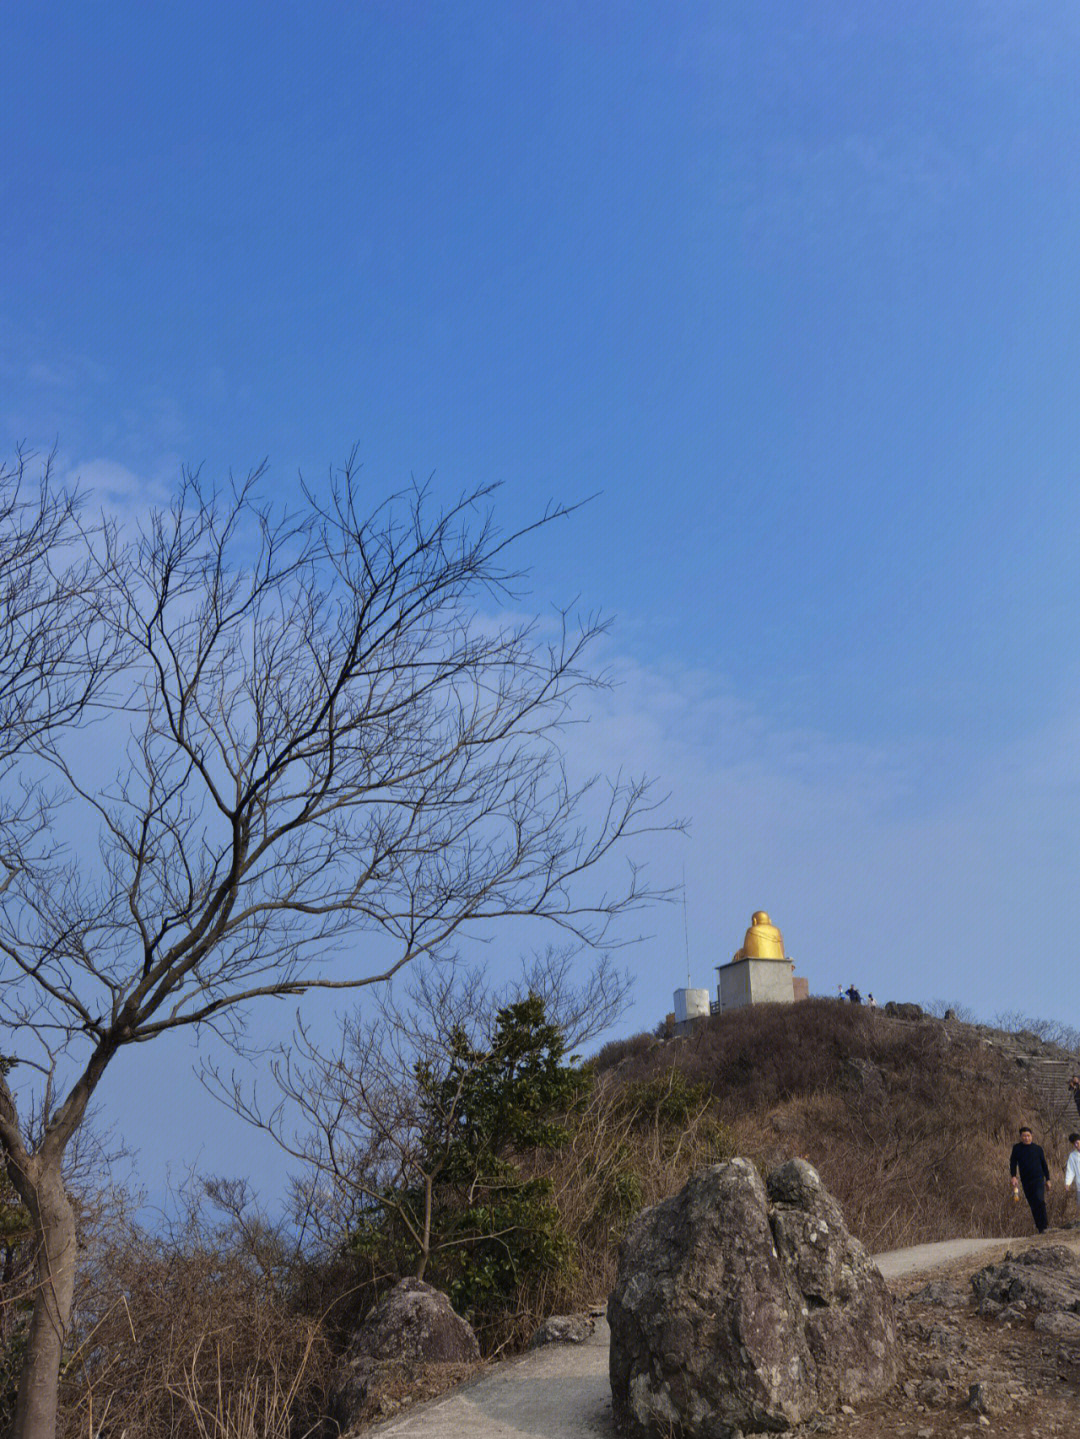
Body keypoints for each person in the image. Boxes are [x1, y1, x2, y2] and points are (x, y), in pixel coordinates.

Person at [1010, 1126, 1052, 1233]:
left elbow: (1044, 1165)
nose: (1026, 1138)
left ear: (1031, 1136)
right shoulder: (1017, 1148)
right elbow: (1013, 1163)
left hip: (1038, 1179)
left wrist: (1048, 1179)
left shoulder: (1037, 1149)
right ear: (1020, 1137)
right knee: (1033, 1204)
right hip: (1026, 1180)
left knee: (1040, 1200)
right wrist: (1013, 1176)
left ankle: (1045, 1225)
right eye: (1024, 1136)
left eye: (1028, 1136)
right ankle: (1040, 1228)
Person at [1064, 1133, 1080, 1221]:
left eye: (1077, 1142)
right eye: (1074, 1144)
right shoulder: (1073, 1156)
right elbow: (1070, 1171)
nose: (1076, 1145)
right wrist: (1067, 1183)